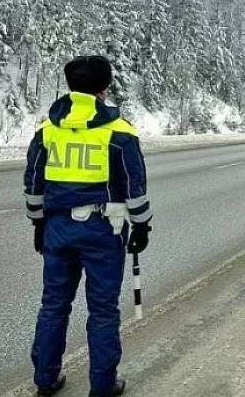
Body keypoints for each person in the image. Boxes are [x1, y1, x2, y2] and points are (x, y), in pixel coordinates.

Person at [24, 55, 152, 397]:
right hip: (103, 231)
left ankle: (45, 380)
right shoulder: (119, 131)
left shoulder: (47, 130)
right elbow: (133, 185)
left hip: (57, 229)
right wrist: (141, 227)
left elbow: (34, 183)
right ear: (104, 88)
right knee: (103, 311)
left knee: (53, 305)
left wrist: (38, 223)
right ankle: (103, 385)